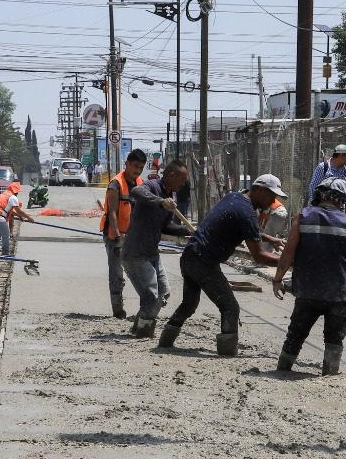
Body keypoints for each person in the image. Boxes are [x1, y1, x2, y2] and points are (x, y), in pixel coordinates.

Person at [158, 174, 284, 356]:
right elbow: (259, 255)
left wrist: (268, 237)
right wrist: (288, 262)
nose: (273, 201)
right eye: (272, 195)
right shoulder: (247, 212)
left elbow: (243, 225)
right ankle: (227, 352)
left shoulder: (234, 197)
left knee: (189, 304)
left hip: (190, 256)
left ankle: (165, 341)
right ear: (259, 190)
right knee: (230, 307)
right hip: (204, 261)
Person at [272, 177, 346, 376]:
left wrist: (277, 279)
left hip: (307, 291)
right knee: (334, 339)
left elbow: (288, 254)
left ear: (319, 195)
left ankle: (283, 369)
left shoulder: (302, 217)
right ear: (343, 200)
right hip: (339, 294)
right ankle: (330, 373)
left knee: (295, 335)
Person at [123, 159, 192, 338]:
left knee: (163, 293)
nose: (183, 184)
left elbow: (166, 226)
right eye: (182, 179)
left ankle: (138, 326)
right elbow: (136, 191)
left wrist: (188, 231)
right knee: (152, 297)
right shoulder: (153, 186)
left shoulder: (172, 198)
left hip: (152, 253)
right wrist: (161, 202)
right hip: (136, 253)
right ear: (171, 175)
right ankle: (142, 332)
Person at [100, 149, 148, 318]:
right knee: (117, 274)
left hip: (133, 236)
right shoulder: (115, 184)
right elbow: (112, 212)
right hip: (115, 236)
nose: (137, 170)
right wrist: (119, 238)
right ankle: (117, 309)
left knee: (140, 272)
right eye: (135, 166)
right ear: (126, 164)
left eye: (141, 167)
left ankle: (145, 306)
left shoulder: (141, 184)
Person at [0, 182, 32, 257]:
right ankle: (5, 253)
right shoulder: (12, 197)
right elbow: (18, 210)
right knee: (6, 235)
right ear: (16, 191)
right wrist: (29, 218)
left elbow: (11, 212)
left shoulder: (3, 194)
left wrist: (20, 217)